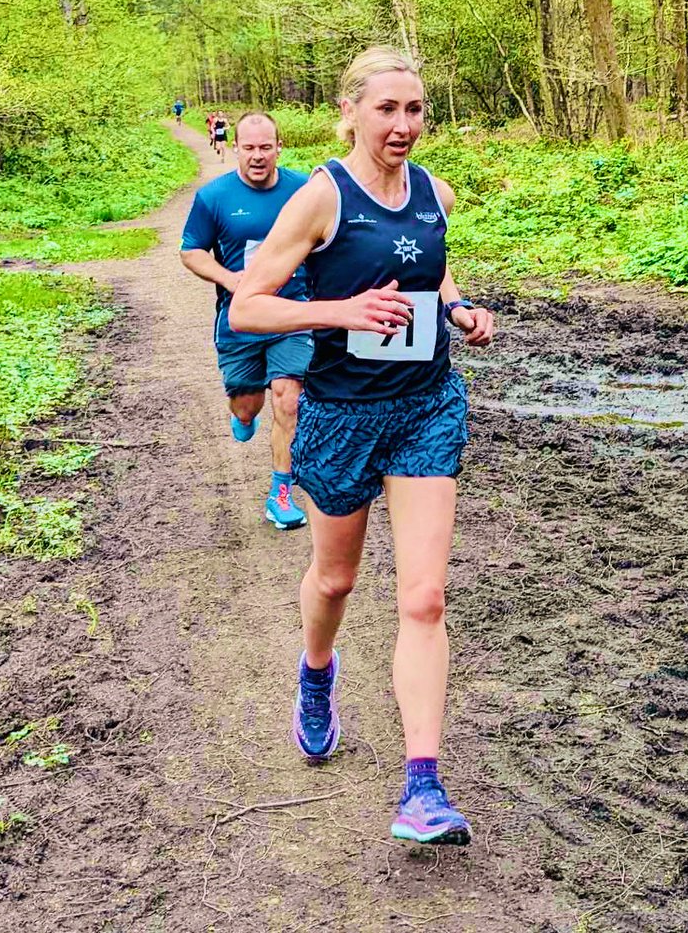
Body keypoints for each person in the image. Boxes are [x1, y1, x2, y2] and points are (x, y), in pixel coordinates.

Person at [229, 47, 495, 846]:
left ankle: (423, 787)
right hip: (343, 413)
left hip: (425, 407)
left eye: (415, 110)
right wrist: (338, 313)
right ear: (350, 113)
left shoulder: (436, 196)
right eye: (387, 110)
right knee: (337, 578)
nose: (404, 126)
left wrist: (460, 308)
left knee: (424, 598)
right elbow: (248, 306)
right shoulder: (320, 199)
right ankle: (316, 672)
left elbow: (432, 276)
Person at [180, 112, 313, 530]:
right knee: (247, 404)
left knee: (288, 397)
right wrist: (230, 279)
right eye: (249, 147)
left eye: (265, 147)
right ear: (235, 147)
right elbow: (192, 251)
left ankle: (281, 493)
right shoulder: (214, 197)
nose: (258, 155)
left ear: (279, 147)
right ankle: (242, 416)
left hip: (293, 312)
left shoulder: (305, 189)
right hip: (241, 317)